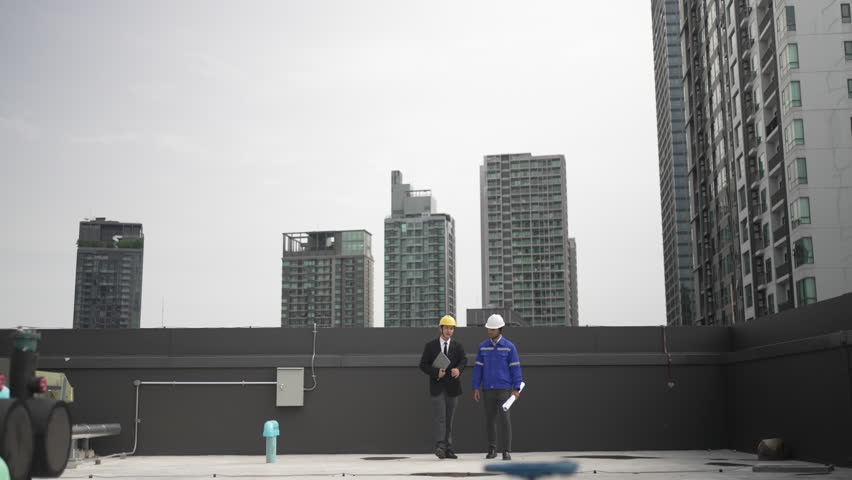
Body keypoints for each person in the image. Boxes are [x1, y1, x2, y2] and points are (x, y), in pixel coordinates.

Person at [471, 314, 523, 461]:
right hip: (488, 389)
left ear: (500, 329)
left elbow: (515, 369)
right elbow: (478, 369)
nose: (490, 331)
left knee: (505, 419)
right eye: (489, 329)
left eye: (492, 329)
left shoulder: (509, 347)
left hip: (504, 390)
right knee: (490, 420)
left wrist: (516, 388)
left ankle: (506, 451)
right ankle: (492, 449)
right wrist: (475, 387)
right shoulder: (482, 347)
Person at [419, 315, 467, 459]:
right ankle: (440, 446)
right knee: (440, 418)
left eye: (451, 328)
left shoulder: (457, 346)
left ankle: (448, 448)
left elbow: (464, 360)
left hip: (452, 387)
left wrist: (458, 369)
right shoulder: (431, 346)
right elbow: (423, 365)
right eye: (446, 328)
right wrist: (435, 372)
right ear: (441, 328)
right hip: (437, 387)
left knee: (449, 418)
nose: (449, 331)